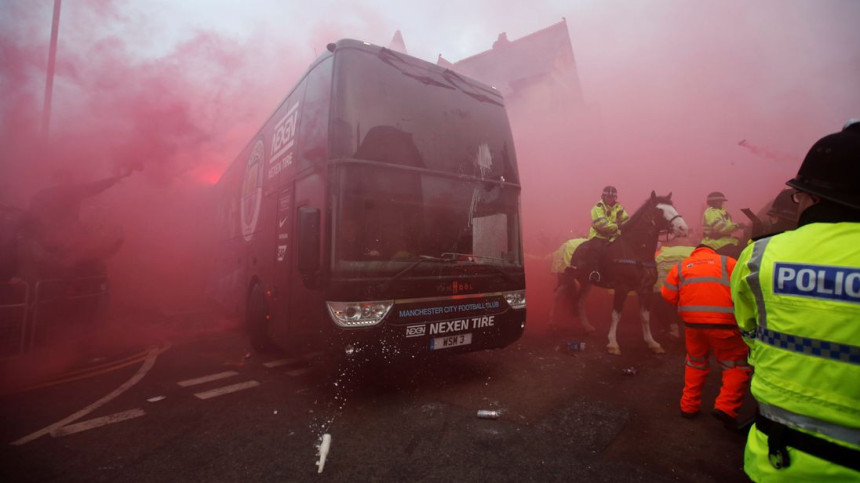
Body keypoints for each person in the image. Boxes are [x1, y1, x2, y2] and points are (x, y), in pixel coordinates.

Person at [731, 120, 860, 481]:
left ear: (813, 197)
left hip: (775, 461)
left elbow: (749, 329)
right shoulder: (604, 207)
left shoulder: (760, 255)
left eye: (798, 196)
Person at [661, 244, 751, 427]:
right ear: (713, 251)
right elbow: (745, 290)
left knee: (695, 362)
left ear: (695, 251)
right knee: (735, 365)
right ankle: (725, 407)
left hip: (693, 325)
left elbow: (667, 295)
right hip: (725, 325)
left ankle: (688, 407)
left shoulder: (681, 266)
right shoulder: (728, 262)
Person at [573, 186, 629, 282]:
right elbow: (602, 224)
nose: (610, 199)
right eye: (608, 197)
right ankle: (594, 272)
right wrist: (617, 227)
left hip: (613, 236)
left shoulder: (619, 208)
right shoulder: (598, 207)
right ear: (603, 197)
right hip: (598, 235)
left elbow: (626, 220)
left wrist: (625, 227)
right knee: (597, 249)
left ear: (615, 198)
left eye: (612, 197)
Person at [701, 191, 745, 258]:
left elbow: (728, 226)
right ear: (713, 202)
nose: (722, 203)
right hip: (714, 243)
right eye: (719, 201)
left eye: (722, 201)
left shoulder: (722, 212)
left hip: (723, 241)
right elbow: (721, 228)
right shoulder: (711, 212)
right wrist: (737, 226)